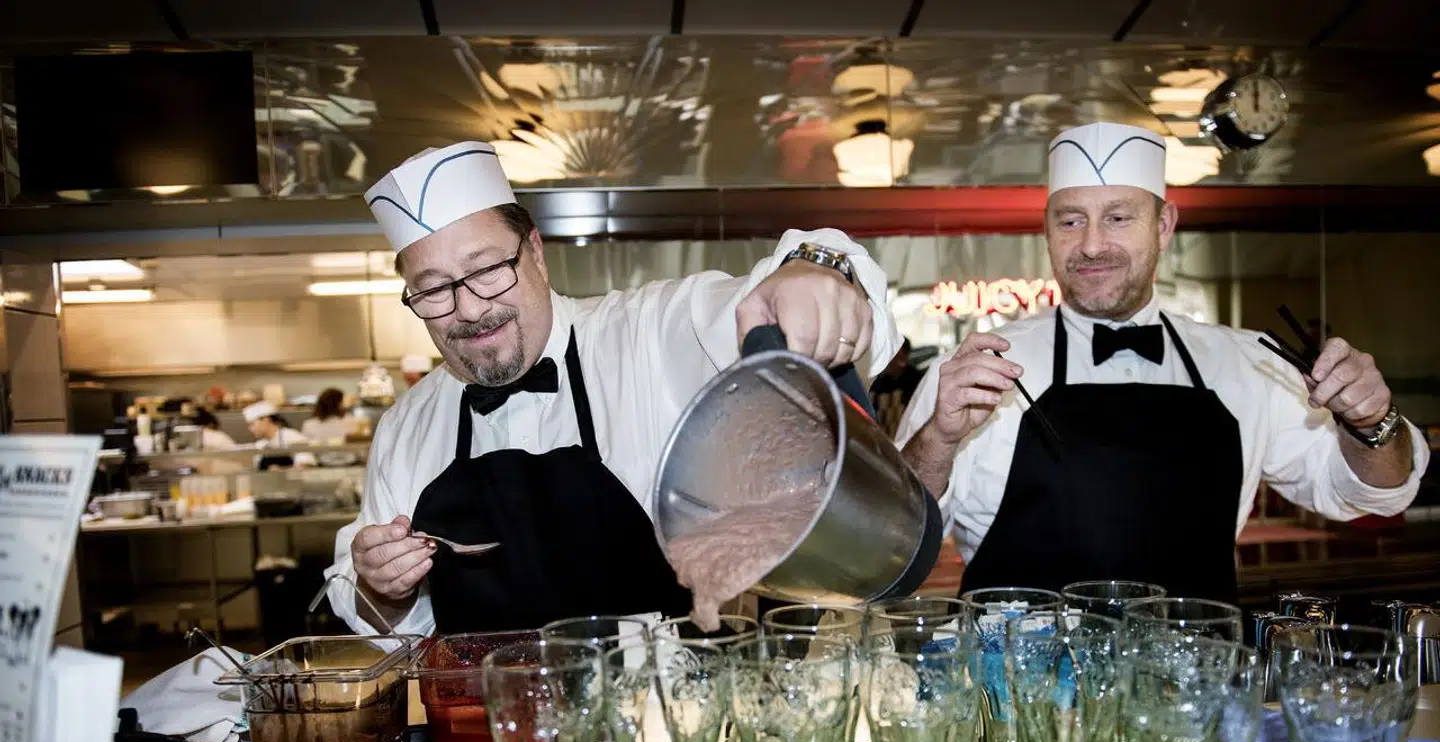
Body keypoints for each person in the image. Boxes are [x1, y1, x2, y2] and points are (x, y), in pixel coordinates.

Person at [325, 141, 900, 635]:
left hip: (667, 727)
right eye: (434, 290)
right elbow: (375, 615)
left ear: (536, 255)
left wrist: (813, 271)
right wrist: (385, 589)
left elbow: (763, 298)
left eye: (486, 269)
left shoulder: (649, 333)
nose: (469, 309)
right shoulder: (407, 425)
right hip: (485, 734)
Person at [896, 122, 1430, 604]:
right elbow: (894, 542)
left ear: (1164, 225)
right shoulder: (976, 368)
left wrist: (1371, 422)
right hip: (1017, 692)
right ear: (1047, 228)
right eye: (1071, 220)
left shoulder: (1248, 363)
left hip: (1192, 690)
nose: (1092, 245)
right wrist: (938, 441)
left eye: (1119, 217)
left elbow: (1369, 494)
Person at [243, 401, 308, 450]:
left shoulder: (291, 436)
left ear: (266, 420)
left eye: (252, 424)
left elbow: (306, 463)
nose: (250, 429)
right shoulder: (261, 444)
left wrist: (282, 468)